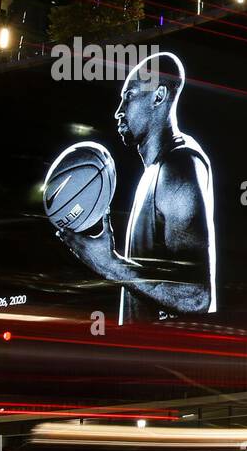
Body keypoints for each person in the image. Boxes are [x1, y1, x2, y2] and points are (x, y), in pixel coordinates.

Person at [57, 52, 217, 324]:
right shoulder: (156, 169)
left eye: (129, 96)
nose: (118, 110)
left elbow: (197, 297)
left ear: (158, 96)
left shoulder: (178, 167)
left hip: (170, 361)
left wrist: (110, 265)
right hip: (149, 360)